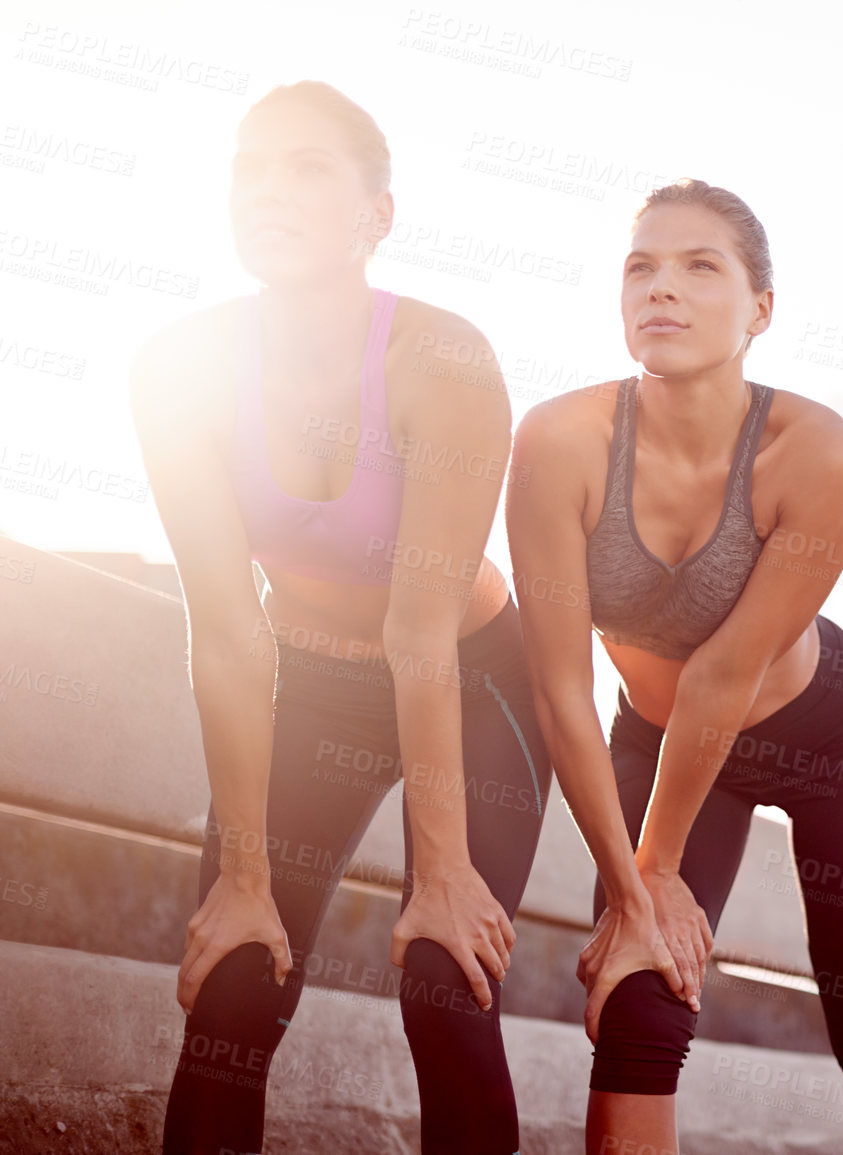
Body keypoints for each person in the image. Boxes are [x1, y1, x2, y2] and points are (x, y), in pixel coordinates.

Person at [129, 80, 552, 1154]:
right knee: (232, 982)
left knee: (443, 979)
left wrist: (446, 877)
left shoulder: (442, 361)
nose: (267, 189)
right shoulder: (178, 370)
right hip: (306, 679)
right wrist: (242, 874)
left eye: (306, 166)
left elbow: (419, 637)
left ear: (379, 213)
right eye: (249, 167)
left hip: (469, 675)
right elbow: (226, 633)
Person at [505, 178, 843, 1154]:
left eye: (699, 266)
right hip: (658, 740)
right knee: (637, 1008)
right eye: (640, 267)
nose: (660, 287)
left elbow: (724, 675)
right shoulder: (558, 444)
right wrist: (633, 895)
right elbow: (558, 688)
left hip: (824, 732)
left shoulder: (816, 452)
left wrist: (653, 868)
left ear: (761, 310)